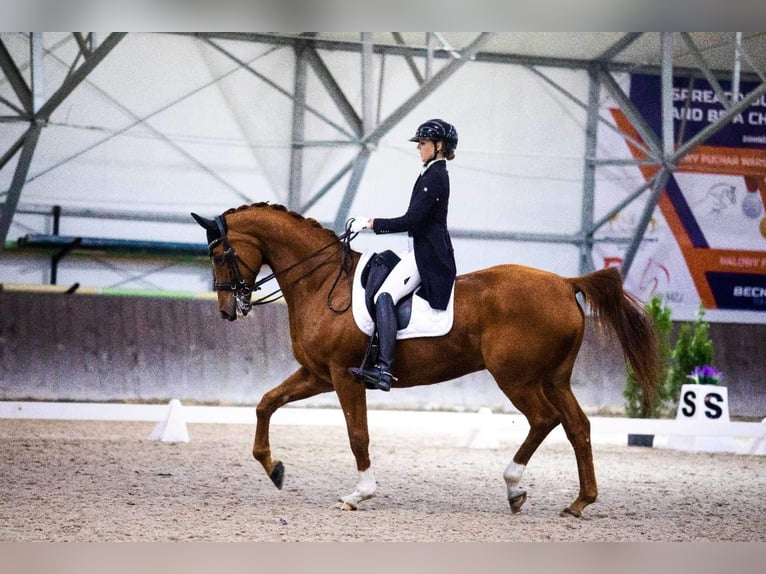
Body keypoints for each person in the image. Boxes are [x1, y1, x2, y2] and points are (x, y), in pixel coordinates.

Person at [348, 118, 458, 391]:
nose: (419, 148)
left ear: (439, 146)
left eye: (423, 143)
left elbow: (412, 220)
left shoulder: (436, 175)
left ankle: (384, 370)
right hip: (422, 249)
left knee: (384, 295)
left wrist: (372, 224)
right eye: (419, 143)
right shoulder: (429, 172)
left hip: (429, 256)